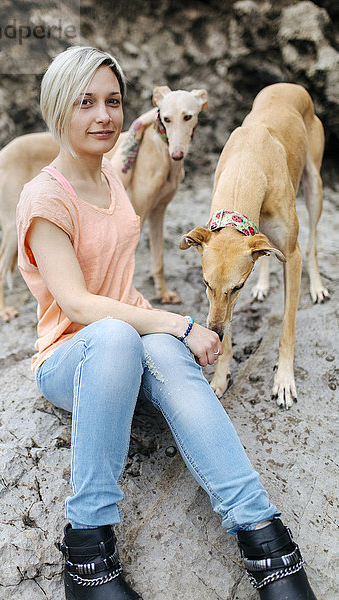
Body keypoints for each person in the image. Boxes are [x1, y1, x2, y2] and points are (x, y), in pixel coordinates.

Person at [16, 46, 317, 600]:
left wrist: (165, 334)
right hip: (70, 355)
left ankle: (266, 542)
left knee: (157, 353)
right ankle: (88, 558)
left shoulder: (112, 172)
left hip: (130, 338)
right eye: (85, 102)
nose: (102, 115)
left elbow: (151, 135)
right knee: (115, 336)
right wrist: (178, 324)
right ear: (57, 108)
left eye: (112, 101)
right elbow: (80, 307)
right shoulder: (43, 199)